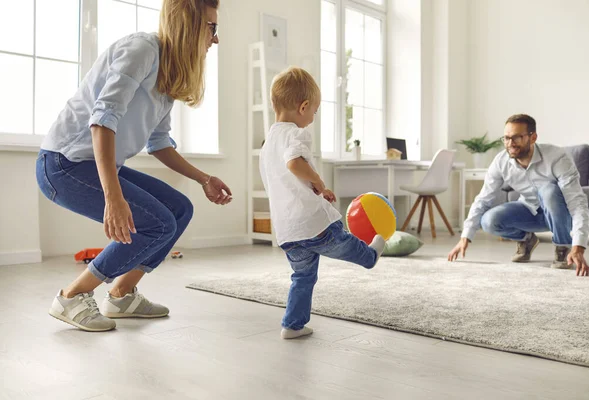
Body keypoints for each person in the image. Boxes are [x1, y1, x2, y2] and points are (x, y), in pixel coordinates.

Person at [36, 0, 231, 332]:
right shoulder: (142, 49)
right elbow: (102, 121)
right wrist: (114, 199)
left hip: (95, 164)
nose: (215, 39)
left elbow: (160, 142)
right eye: (211, 28)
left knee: (179, 209)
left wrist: (203, 178)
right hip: (63, 164)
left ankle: (121, 295)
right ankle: (71, 296)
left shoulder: (169, 72)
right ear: (188, 24)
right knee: (156, 223)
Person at [259, 67, 387, 340]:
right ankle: (369, 257)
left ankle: (292, 325)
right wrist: (319, 183)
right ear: (303, 107)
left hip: (287, 232)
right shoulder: (295, 134)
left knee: (302, 278)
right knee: (341, 239)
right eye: (314, 112)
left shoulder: (268, 141)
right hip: (310, 222)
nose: (313, 117)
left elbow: (279, 180)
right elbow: (294, 162)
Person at [448, 114, 589, 276]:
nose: (510, 143)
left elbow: (577, 202)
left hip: (560, 215)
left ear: (533, 137)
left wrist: (578, 246)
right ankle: (527, 240)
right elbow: (483, 199)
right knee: (489, 220)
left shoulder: (557, 157)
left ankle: (563, 246)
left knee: (548, 190)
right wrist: (465, 236)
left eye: (517, 137)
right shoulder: (501, 162)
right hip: (529, 211)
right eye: (507, 138)